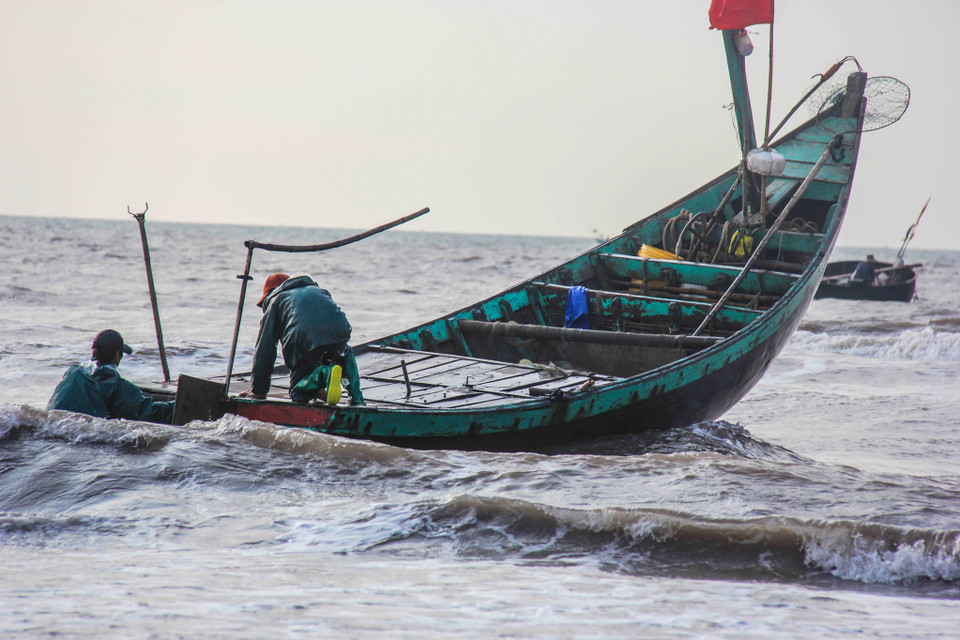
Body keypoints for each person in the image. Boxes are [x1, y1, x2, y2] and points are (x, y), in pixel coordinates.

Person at [243, 273, 365, 405]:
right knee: (342, 351)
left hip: (304, 334)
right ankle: (356, 398)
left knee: (298, 392)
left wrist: (258, 390)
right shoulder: (318, 291)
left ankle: (325, 375)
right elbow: (323, 335)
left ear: (270, 293)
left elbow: (264, 351)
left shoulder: (276, 300)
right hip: (341, 327)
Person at [47, 329, 175, 423]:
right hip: (82, 433)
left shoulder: (73, 371)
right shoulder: (114, 384)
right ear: (118, 355)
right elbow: (147, 412)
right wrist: (176, 406)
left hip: (51, 424)